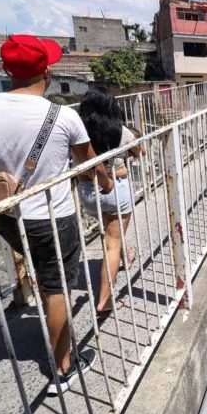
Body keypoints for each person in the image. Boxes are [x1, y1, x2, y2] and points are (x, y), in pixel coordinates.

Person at [0, 34, 114, 396]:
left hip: (8, 215)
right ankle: (64, 369)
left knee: (39, 271)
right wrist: (107, 181)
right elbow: (89, 164)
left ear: (6, 70)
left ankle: (46, 312)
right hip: (53, 217)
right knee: (57, 285)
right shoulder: (62, 116)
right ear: (46, 70)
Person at [75, 87, 145, 318]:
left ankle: (127, 255)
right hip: (116, 188)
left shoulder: (77, 132)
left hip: (88, 193)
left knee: (110, 232)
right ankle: (104, 301)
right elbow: (140, 150)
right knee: (112, 243)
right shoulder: (120, 131)